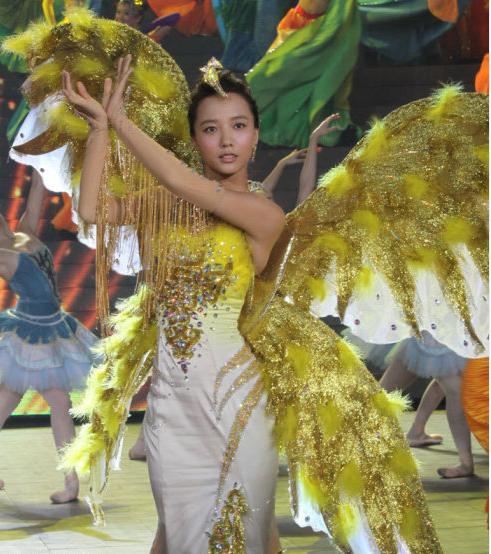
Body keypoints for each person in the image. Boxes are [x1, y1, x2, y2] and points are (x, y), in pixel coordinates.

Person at [0, 171, 97, 503]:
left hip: (53, 328)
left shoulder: (23, 232)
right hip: (29, 337)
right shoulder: (3, 253)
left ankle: (71, 485)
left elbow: (38, 190)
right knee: (32, 403)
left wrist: (40, 162)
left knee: (55, 404)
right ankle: (70, 484)